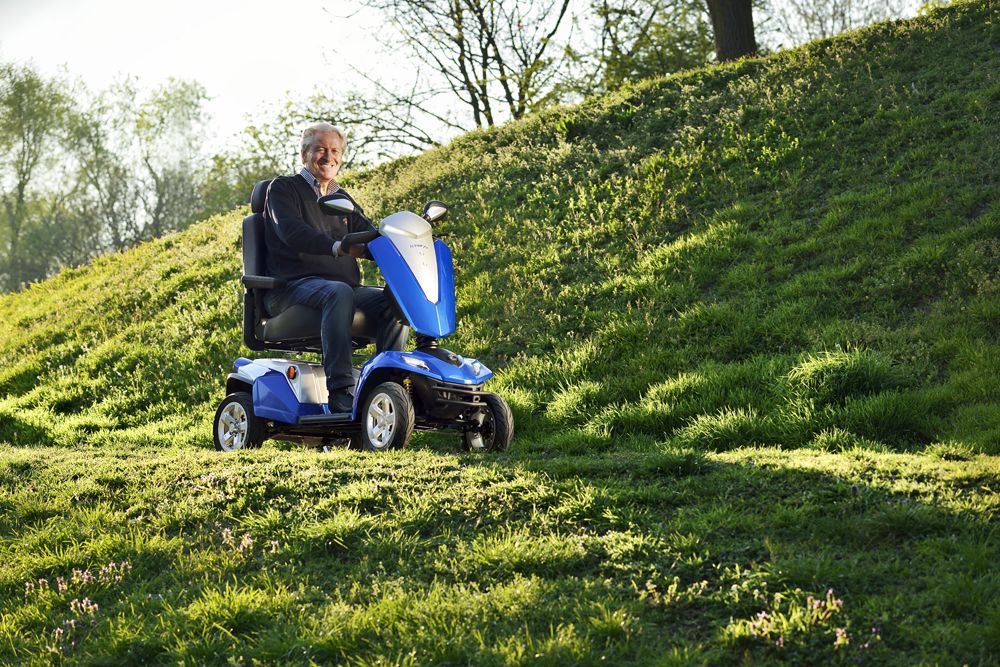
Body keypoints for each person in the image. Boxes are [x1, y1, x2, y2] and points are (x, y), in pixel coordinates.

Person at [262, 122, 408, 413]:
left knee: (395, 298)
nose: (329, 156)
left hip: (339, 289)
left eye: (335, 151)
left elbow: (368, 234)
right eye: (320, 149)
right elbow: (292, 232)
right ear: (304, 154)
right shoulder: (283, 189)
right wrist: (335, 247)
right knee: (338, 292)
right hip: (290, 287)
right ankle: (341, 392)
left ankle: (386, 386)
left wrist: (403, 244)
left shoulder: (342, 200)